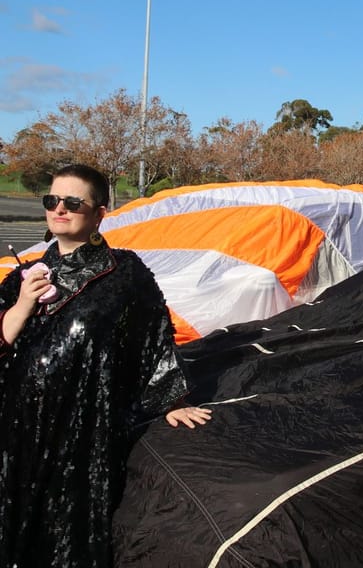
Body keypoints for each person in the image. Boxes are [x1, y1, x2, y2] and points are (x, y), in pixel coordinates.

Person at [0, 164, 211, 567]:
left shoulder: (126, 272)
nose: (60, 209)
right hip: (16, 430)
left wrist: (171, 400)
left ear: (100, 212)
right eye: (52, 201)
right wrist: (24, 302)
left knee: (67, 534)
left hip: (82, 433)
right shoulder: (22, 277)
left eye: (73, 202)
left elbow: (153, 337)